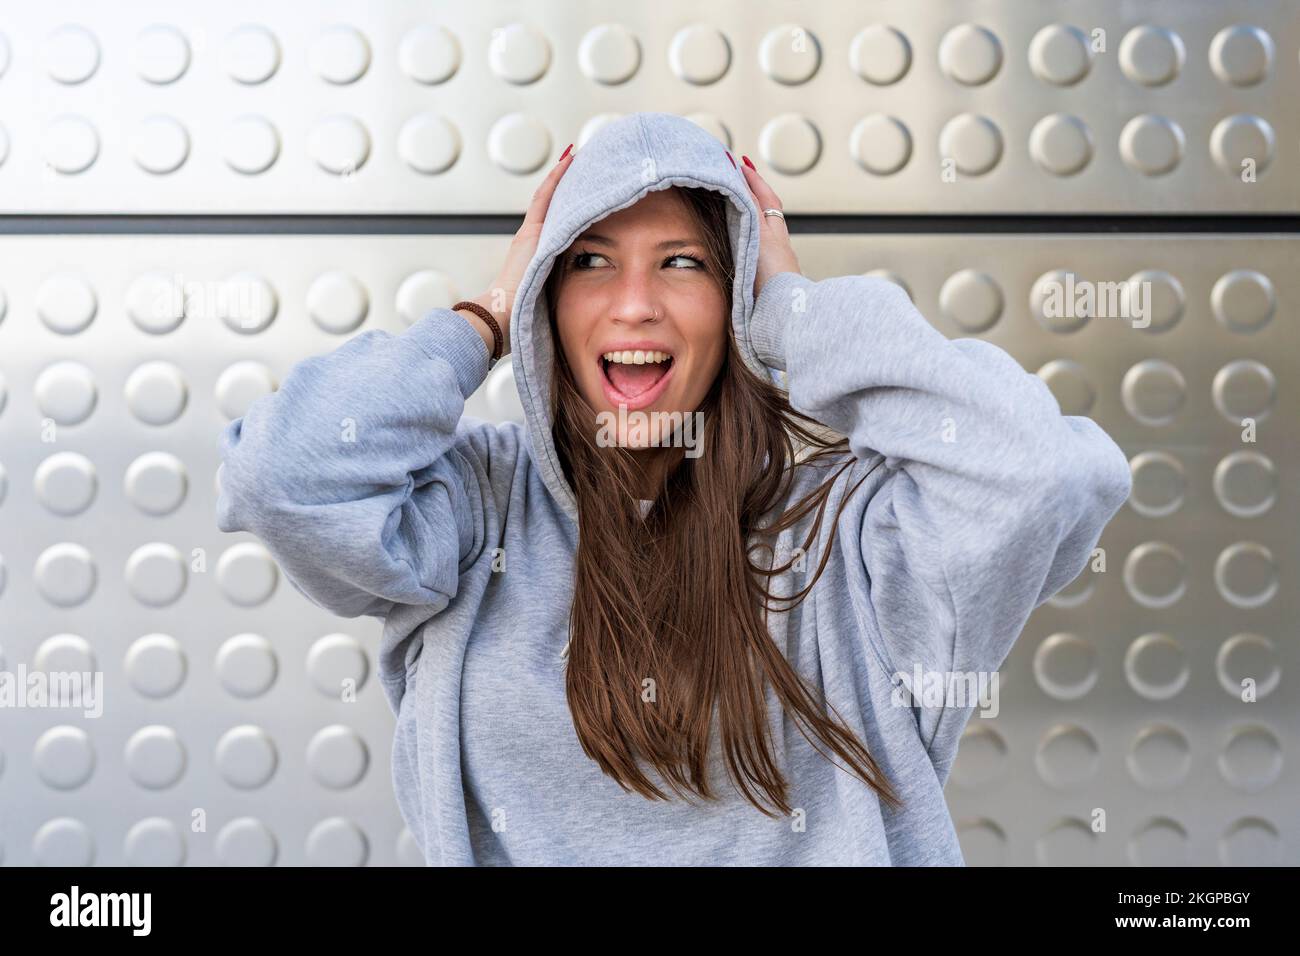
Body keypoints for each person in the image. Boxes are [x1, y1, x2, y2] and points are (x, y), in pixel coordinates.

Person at [216, 112, 1132, 865]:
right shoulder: (468, 512)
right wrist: (484, 317)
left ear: (735, 299)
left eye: (684, 262)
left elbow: (1039, 473)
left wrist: (794, 313)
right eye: (588, 261)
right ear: (547, 301)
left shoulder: (847, 535)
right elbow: (281, 475)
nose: (634, 304)